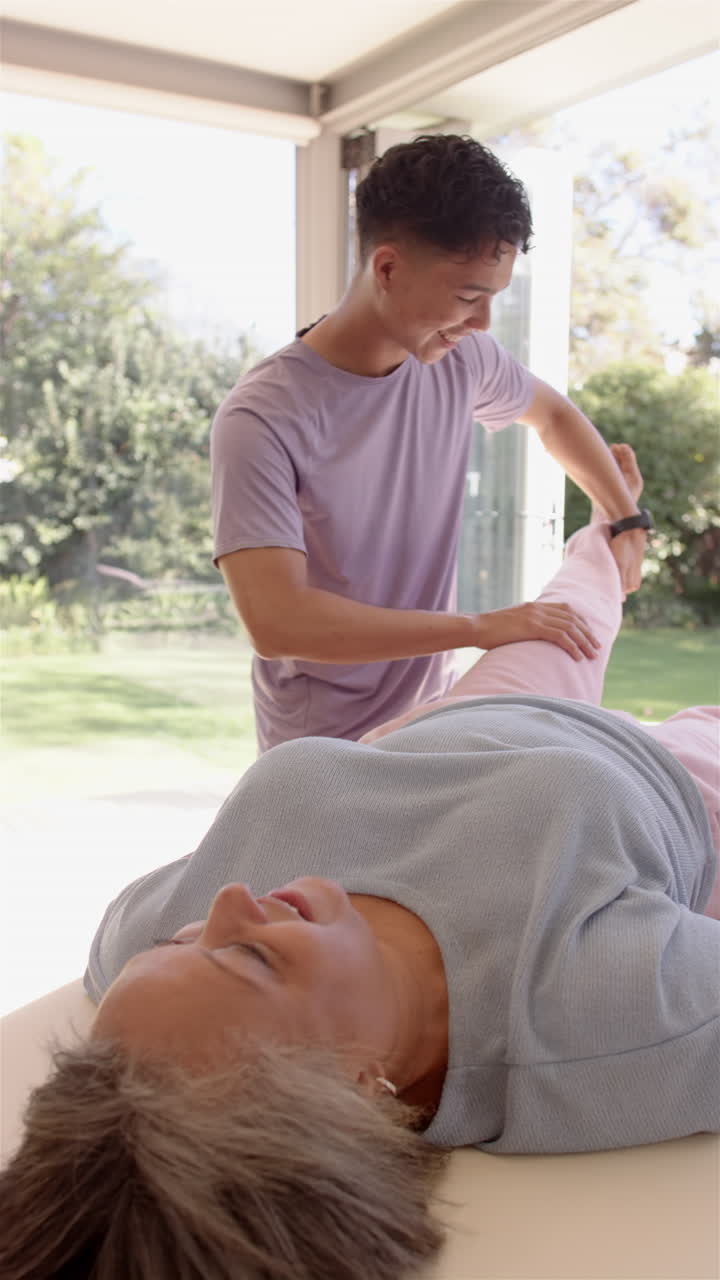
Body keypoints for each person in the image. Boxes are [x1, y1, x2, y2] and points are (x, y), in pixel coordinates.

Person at [2, 449, 718, 1280]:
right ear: (362, 1088)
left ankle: (613, 536)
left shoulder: (162, 991)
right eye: (249, 956)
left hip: (465, 717)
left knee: (578, 593)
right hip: (673, 778)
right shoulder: (589, 1016)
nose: (229, 902)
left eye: (179, 943)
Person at [211, 133, 651, 753]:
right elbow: (278, 620)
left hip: (429, 723)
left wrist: (626, 518)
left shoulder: (461, 358)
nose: (481, 324)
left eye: (493, 299)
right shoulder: (263, 417)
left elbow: (553, 416)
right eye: (469, 297)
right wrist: (480, 628)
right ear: (387, 269)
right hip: (320, 754)